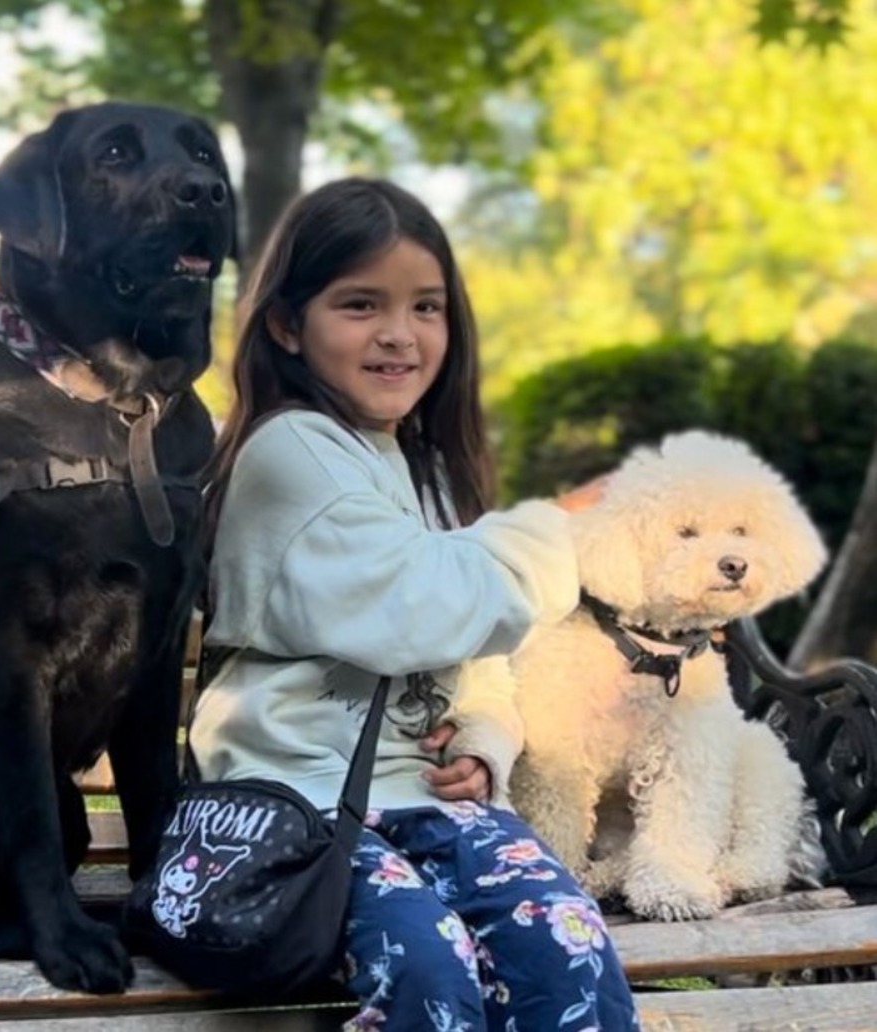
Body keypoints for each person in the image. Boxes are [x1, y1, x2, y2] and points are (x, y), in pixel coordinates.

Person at [190, 177, 638, 1031]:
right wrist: (564, 528)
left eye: (425, 307)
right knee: (426, 962)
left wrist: (482, 741)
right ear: (287, 325)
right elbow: (423, 604)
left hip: (425, 803)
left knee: (567, 939)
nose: (399, 334)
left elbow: (476, 654)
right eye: (360, 304)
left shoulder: (428, 474)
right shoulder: (291, 452)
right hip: (296, 810)